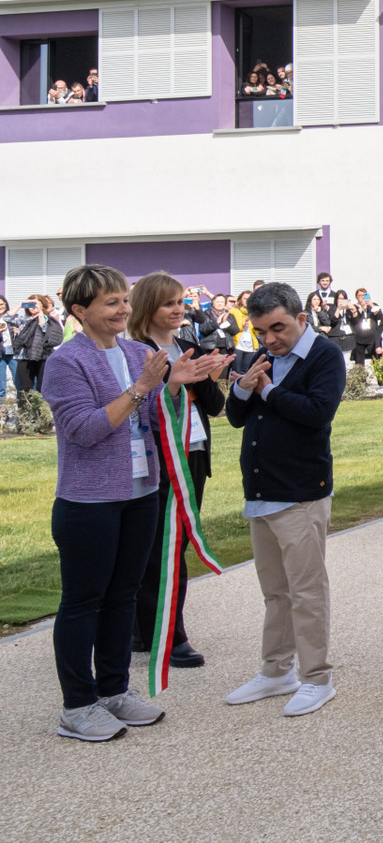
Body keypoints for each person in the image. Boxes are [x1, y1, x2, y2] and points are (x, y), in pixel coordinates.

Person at [44, 266, 222, 741]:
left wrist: (176, 384)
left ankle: (114, 690)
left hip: (142, 493)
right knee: (84, 602)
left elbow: (156, 419)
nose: (124, 309)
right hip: (89, 502)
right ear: (80, 311)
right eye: (111, 303)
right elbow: (84, 430)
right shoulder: (66, 362)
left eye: (124, 300)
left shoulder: (139, 352)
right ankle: (77, 706)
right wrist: (145, 387)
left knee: (123, 596)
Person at [221, 282, 348, 718]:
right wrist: (243, 388)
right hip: (261, 492)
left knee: (306, 591)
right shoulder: (261, 357)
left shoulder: (324, 355)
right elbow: (236, 417)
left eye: (277, 328)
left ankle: (317, 677)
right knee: (275, 592)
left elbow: (318, 413)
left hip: (300, 493)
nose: (270, 339)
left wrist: (267, 390)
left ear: (300, 317)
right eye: (261, 331)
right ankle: (276, 670)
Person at [127, 272, 230, 672]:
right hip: (157, 457)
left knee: (174, 543)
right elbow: (142, 404)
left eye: (181, 303)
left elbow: (215, 405)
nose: (178, 310)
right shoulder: (136, 350)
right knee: (159, 547)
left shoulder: (188, 344)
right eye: (169, 303)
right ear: (149, 306)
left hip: (193, 452)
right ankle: (168, 635)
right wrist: (175, 379)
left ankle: (146, 630)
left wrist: (209, 377)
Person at [15, 294, 61, 393]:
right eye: (31, 304)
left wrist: (40, 313)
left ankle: (42, 408)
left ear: (43, 305)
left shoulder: (49, 320)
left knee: (43, 387)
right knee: (25, 388)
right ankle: (25, 408)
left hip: (43, 357)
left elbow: (45, 330)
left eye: (36, 303)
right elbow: (7, 318)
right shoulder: (23, 320)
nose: (33, 306)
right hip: (24, 357)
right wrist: (21, 304)